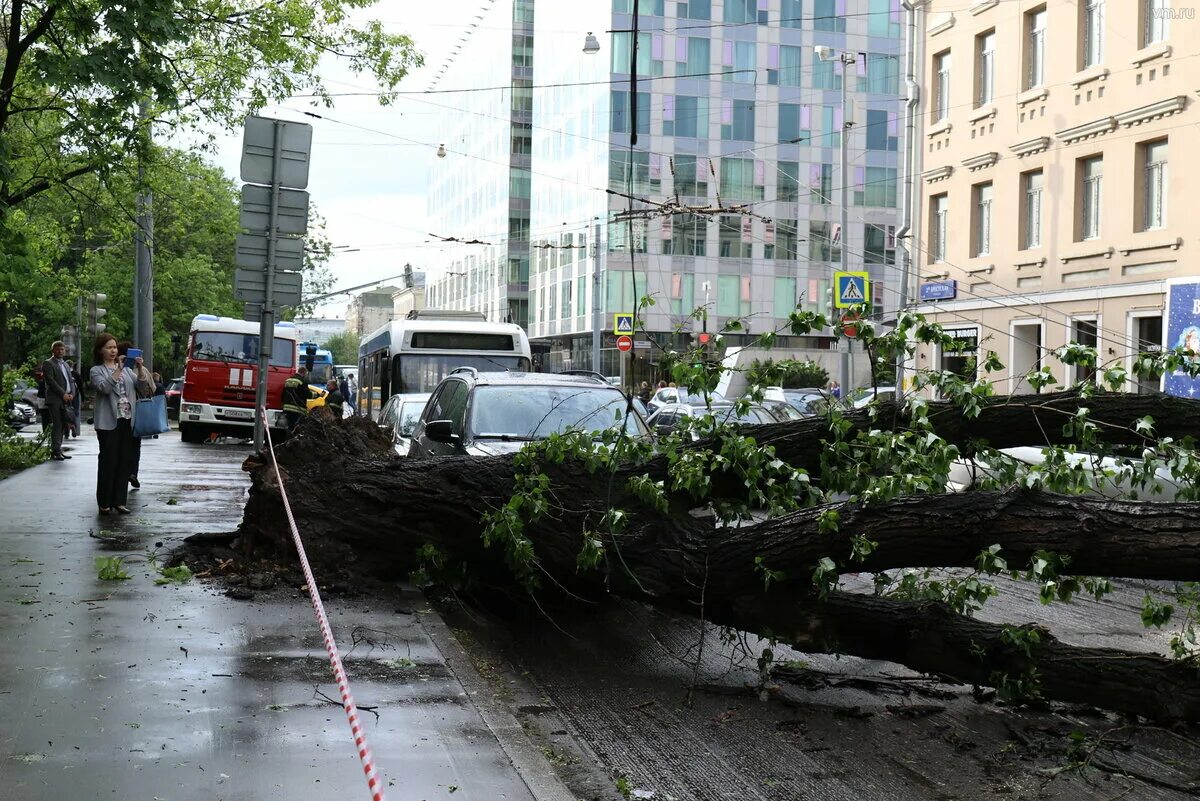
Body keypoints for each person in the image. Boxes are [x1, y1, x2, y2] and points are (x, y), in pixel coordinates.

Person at [90, 333, 139, 514]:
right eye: (109, 347)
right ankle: (104, 502)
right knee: (108, 461)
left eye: (115, 347)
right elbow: (104, 388)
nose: (113, 350)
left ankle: (119, 501)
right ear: (101, 350)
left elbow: (141, 387)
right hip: (107, 422)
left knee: (124, 461)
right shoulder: (96, 370)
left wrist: (140, 369)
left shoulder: (127, 370)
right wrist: (117, 369)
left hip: (126, 420)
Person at [118, 341, 155, 489]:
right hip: (132, 412)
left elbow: (148, 389)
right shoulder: (119, 370)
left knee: (131, 444)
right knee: (133, 445)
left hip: (134, 412)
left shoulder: (141, 370)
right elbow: (151, 390)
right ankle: (131, 472)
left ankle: (131, 473)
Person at [41, 340, 76, 460]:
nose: (60, 351)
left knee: (63, 425)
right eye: (58, 349)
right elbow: (51, 382)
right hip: (55, 399)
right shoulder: (48, 363)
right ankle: (55, 451)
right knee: (57, 424)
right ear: (53, 351)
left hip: (66, 398)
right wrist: (63, 394)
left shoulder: (65, 364)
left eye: (62, 349)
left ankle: (59, 450)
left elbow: (71, 380)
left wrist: (72, 393)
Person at [282, 366, 309, 432]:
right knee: (297, 428)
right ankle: (295, 441)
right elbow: (307, 394)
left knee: (290, 427)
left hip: (287, 407)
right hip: (297, 408)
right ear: (304, 373)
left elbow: (283, 394)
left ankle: (288, 440)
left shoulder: (288, 380)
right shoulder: (302, 381)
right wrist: (317, 395)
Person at [67, 360, 83, 437]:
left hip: (65, 396)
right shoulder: (76, 374)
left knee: (66, 412)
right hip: (75, 396)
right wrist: (83, 397)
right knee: (75, 412)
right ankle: (74, 427)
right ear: (72, 366)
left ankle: (67, 430)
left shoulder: (64, 374)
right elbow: (80, 386)